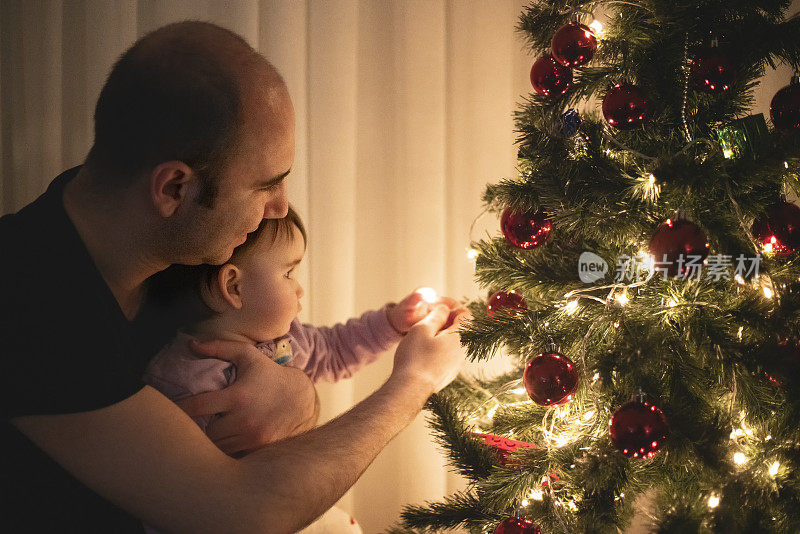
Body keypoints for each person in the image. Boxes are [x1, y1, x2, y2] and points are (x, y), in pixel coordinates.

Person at [1, 20, 468, 533]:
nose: (279, 209)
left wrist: (297, 396)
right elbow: (243, 511)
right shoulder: (30, 299)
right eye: (265, 186)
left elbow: (301, 362)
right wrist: (413, 383)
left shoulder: (168, 251)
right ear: (174, 188)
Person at [143, 206, 441, 533]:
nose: (299, 289)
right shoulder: (179, 377)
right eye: (288, 274)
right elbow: (176, 489)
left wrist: (392, 322)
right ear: (234, 287)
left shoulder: (289, 340)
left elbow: (336, 349)